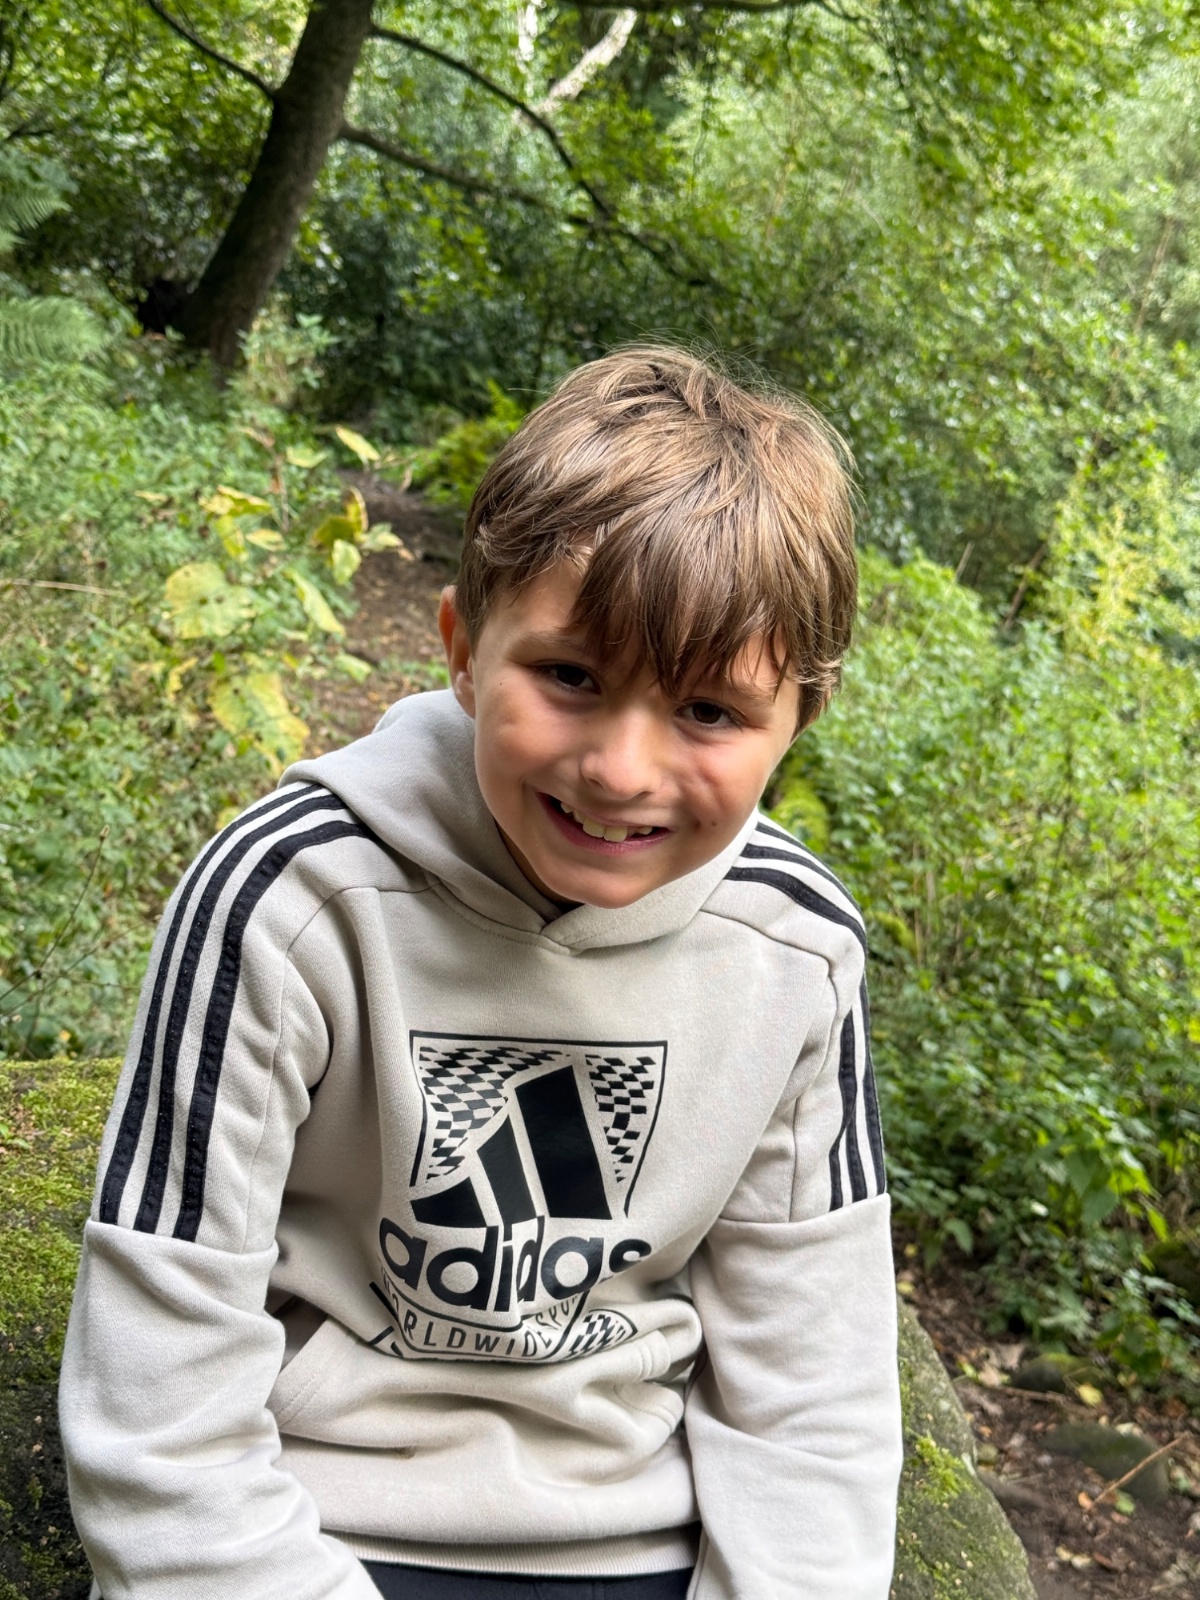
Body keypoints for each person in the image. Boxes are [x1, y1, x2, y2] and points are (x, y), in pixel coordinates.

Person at [60, 346, 902, 1600]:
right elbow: (160, 1391)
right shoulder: (288, 898)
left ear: (799, 720)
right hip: (304, 1514)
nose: (621, 769)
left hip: (637, 1539)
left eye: (709, 712)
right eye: (571, 676)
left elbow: (814, 1384)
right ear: (462, 648)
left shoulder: (795, 947)